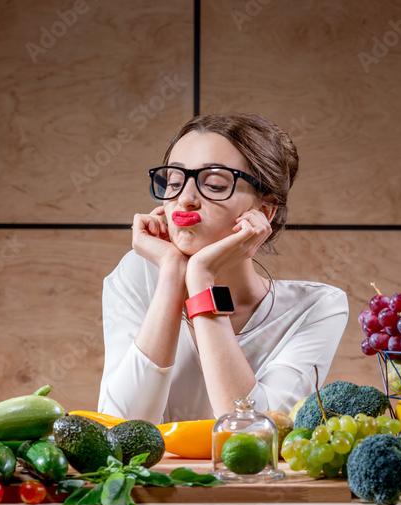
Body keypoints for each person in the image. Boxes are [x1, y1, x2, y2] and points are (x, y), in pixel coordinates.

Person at [98, 113, 349, 424]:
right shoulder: (138, 275)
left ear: (264, 211)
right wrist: (173, 272)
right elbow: (120, 428)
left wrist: (202, 278)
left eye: (214, 185)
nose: (185, 200)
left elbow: (253, 432)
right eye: (174, 182)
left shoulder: (318, 308)